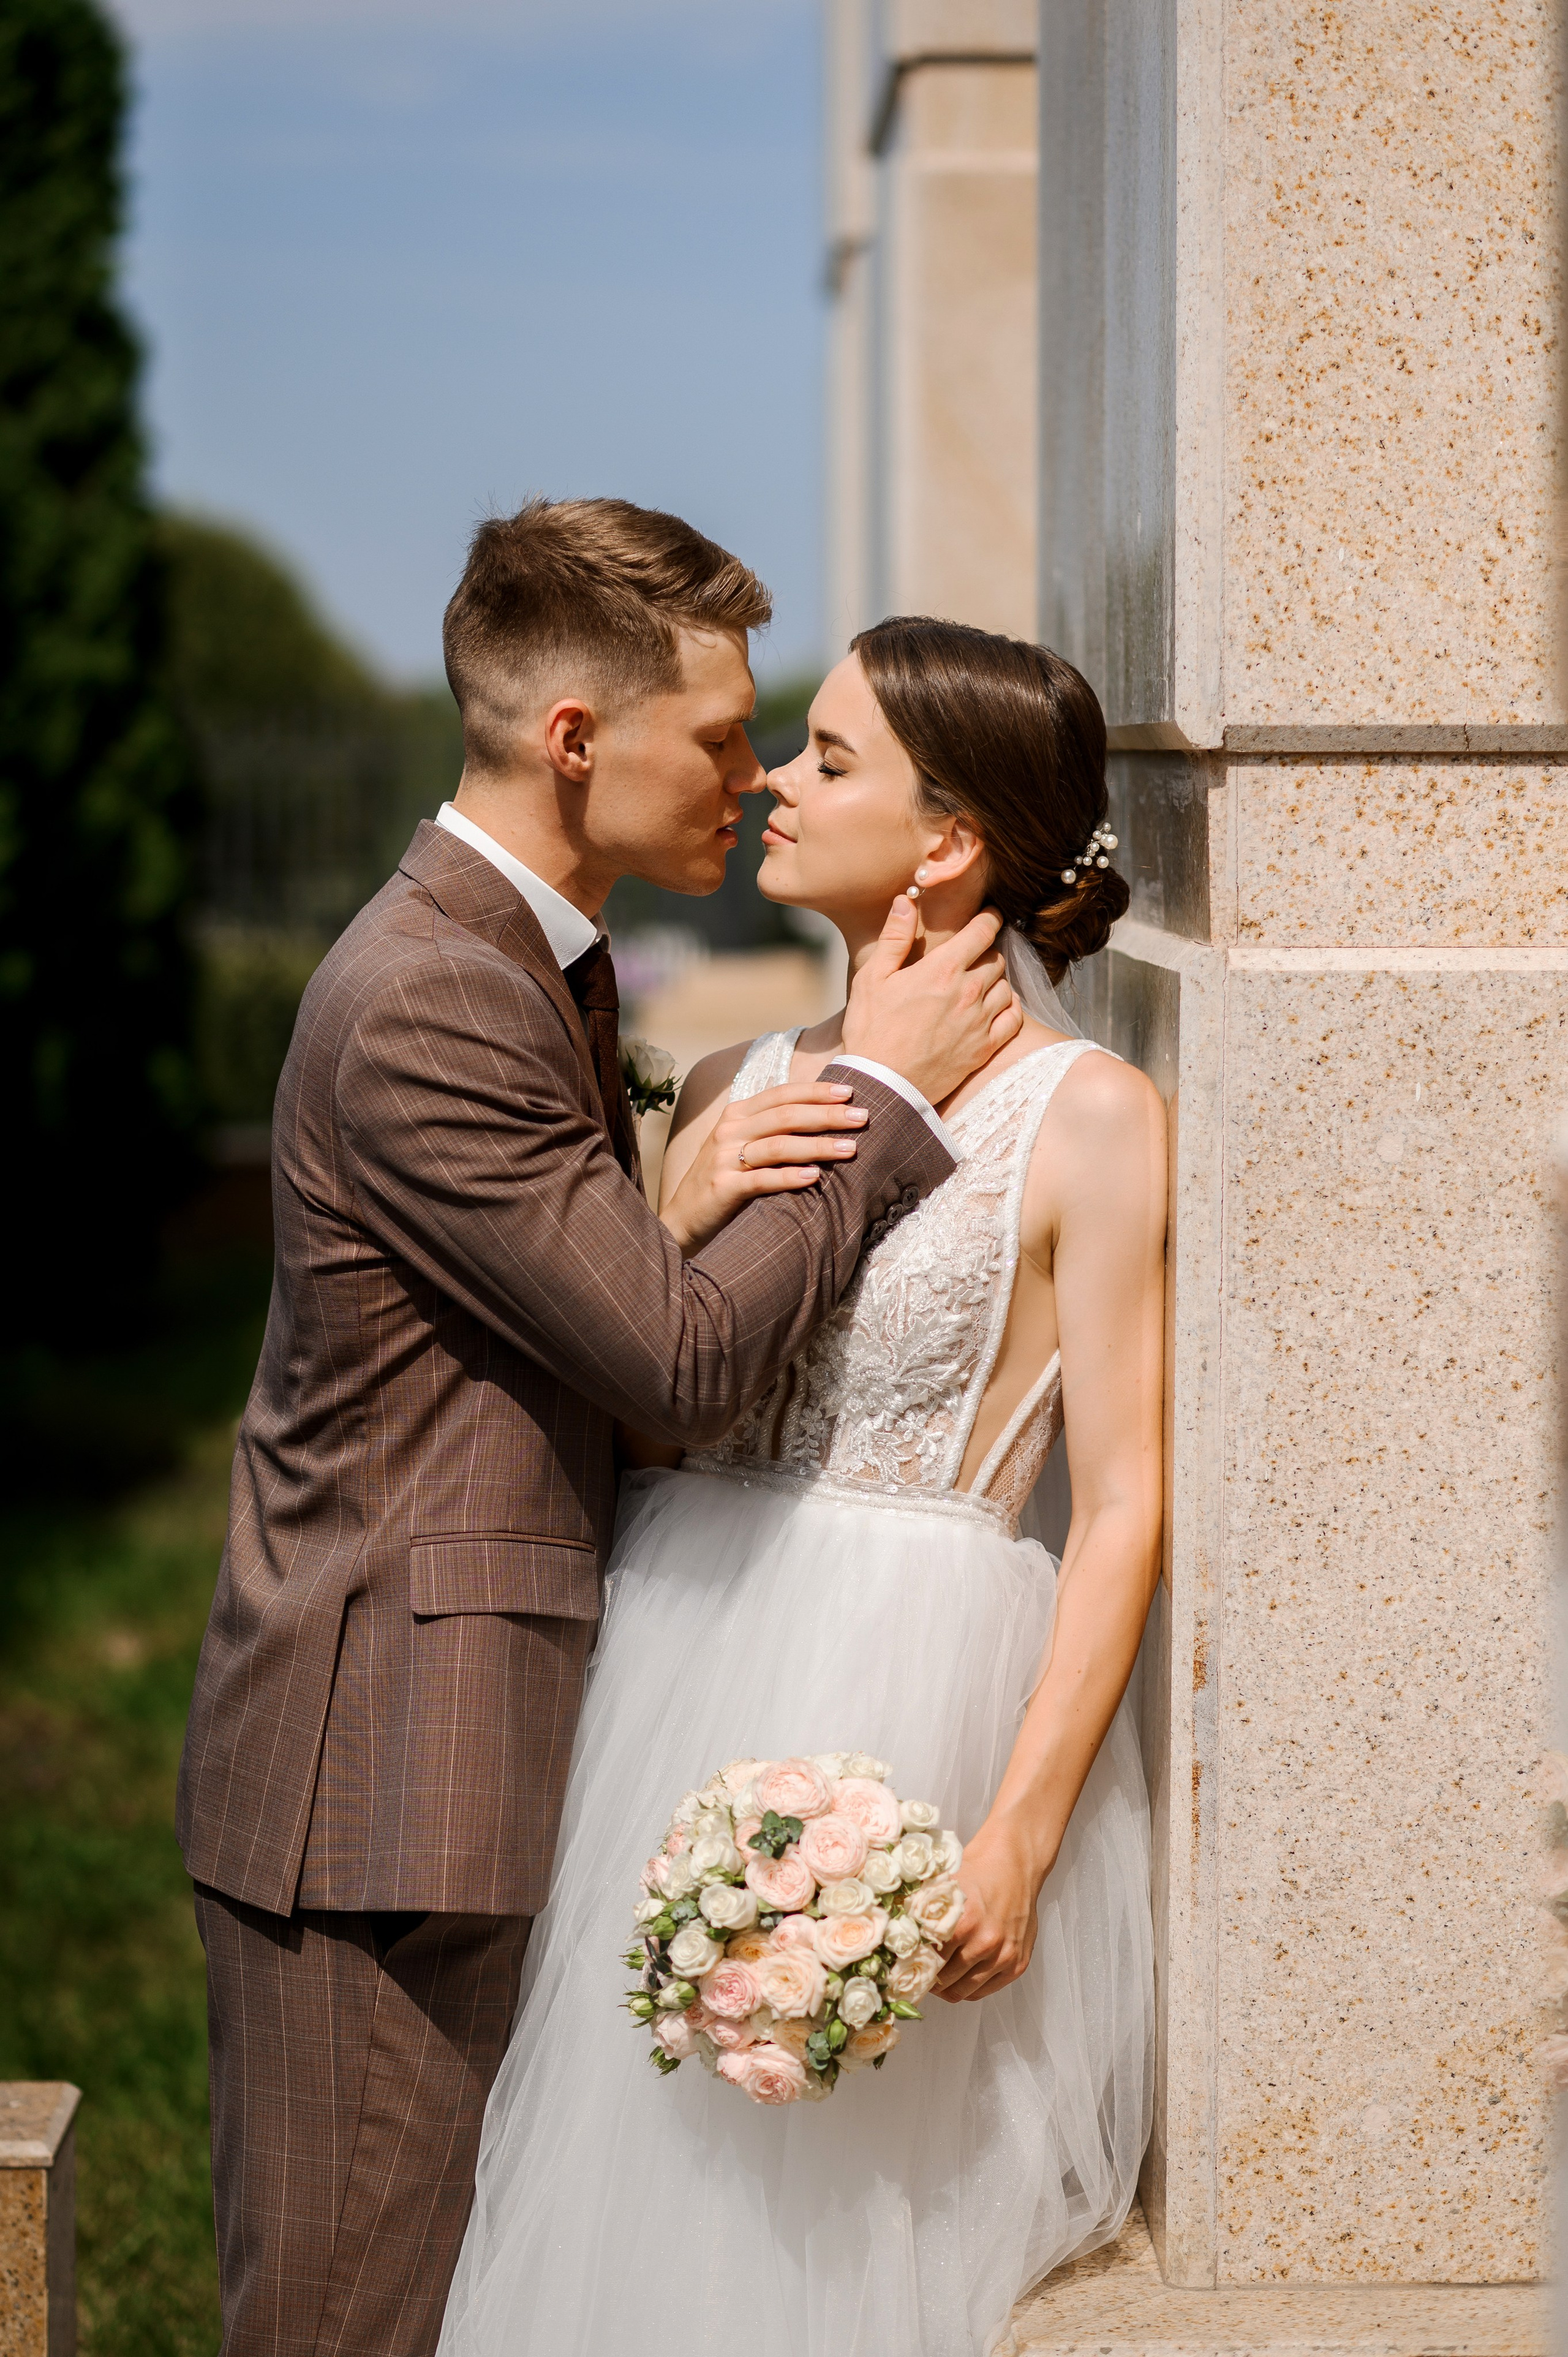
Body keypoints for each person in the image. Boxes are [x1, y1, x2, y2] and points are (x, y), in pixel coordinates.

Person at [175, 505, 1023, 2357]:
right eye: (720, 738)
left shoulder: (525, 957)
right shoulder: (435, 995)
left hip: (455, 1761)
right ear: (579, 740)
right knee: (346, 2326)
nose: (751, 774)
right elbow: (681, 1367)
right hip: (379, 1796)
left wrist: (667, 1195)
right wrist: (878, 1090)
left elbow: (527, 1313)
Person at [437, 616, 1167, 2357]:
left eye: (828, 759)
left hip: (905, 1696)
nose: (770, 776)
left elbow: (1126, 1500)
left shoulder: (1092, 1116)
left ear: (948, 844)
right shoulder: (740, 1080)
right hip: (670, 1673)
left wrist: (1022, 1832)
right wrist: (670, 1212)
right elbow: (661, 1419)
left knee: (840, 2234)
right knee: (629, 2203)